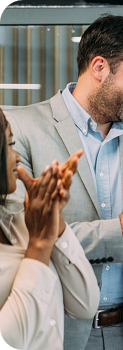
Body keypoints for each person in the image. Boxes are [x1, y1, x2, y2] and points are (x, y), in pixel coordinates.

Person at [5, 15, 123, 350]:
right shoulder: (21, 130)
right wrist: (120, 228)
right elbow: (28, 237)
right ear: (100, 67)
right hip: (57, 328)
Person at [0, 109, 99, 349]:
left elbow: (85, 304)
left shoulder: (18, 218)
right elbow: (8, 342)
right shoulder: (34, 236)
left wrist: (55, 220)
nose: (17, 157)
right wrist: (39, 247)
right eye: (9, 145)